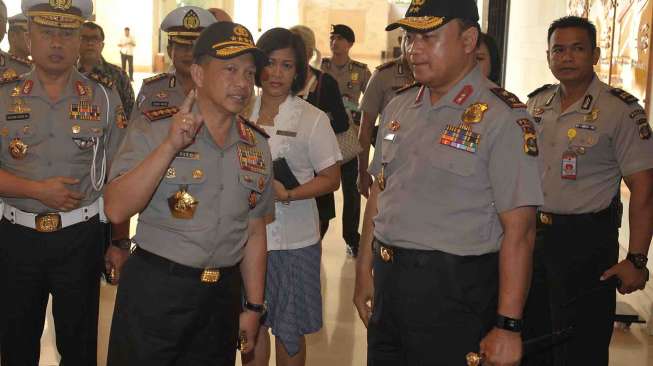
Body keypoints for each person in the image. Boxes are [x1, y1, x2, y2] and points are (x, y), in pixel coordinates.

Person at [353, 0, 544, 365]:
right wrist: (364, 270)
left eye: (429, 37)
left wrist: (508, 324)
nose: (414, 50)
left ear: (469, 39)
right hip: (389, 285)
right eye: (410, 38)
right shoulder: (399, 108)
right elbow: (379, 195)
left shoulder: (503, 118)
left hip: (455, 295)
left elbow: (520, 232)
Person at [104, 21, 272, 366]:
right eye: (229, 69)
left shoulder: (256, 146)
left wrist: (253, 306)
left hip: (220, 298)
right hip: (157, 291)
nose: (242, 83)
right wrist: (170, 146)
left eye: (249, 73)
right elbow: (116, 208)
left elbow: (255, 231)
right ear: (197, 73)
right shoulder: (156, 128)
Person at [0, 0, 130, 364]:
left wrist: (120, 241)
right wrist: (36, 190)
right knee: (15, 344)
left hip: (81, 239)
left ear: (79, 40)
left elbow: (120, 175)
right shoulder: (3, 94)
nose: (57, 43)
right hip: (16, 239)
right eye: (47, 32)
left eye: (67, 33)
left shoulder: (104, 98)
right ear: (29, 36)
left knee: (79, 345)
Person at [523, 16, 653, 366]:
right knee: (533, 342)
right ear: (548, 55)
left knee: (581, 348)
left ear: (595, 54)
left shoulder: (620, 110)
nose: (566, 57)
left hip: (586, 243)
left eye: (577, 49)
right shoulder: (536, 105)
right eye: (558, 50)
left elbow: (644, 189)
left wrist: (637, 259)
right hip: (534, 237)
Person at [243, 27, 342, 366]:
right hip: (243, 239)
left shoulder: (311, 119)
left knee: (289, 329)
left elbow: (331, 179)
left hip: (293, 242)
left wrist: (290, 193)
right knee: (249, 328)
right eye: (270, 63)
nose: (276, 73)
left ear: (298, 71)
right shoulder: (239, 111)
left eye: (287, 65)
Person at [290, 24, 349, 240]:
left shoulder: (326, 82)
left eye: (295, 48)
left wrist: (314, 127)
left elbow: (342, 123)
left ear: (307, 52)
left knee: (316, 228)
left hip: (318, 169)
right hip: (288, 168)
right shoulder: (280, 83)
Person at [320, 24, 371, 257]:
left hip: (349, 141)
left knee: (351, 192)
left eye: (340, 38)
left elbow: (372, 102)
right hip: (323, 141)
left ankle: (352, 238)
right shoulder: (320, 69)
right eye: (332, 38)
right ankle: (317, 235)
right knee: (322, 190)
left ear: (350, 44)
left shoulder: (361, 71)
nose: (335, 42)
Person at [356, 36, 414, 197]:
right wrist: (362, 171)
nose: (413, 46)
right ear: (402, 40)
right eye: (409, 38)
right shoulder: (383, 75)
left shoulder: (437, 76)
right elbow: (365, 128)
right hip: (389, 164)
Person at [135, 6, 215, 114]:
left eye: (196, 47)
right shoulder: (152, 89)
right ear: (169, 51)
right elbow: (135, 130)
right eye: (181, 46)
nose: (189, 53)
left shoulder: (219, 89)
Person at [78, 21, 135, 118]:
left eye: (95, 39)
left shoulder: (119, 75)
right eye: (84, 38)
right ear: (76, 42)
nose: (90, 43)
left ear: (102, 45)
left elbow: (130, 113)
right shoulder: (66, 74)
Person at [0, 2, 32, 79]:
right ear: (13, 35)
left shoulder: (28, 70)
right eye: (27, 32)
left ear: (4, 28)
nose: (31, 38)